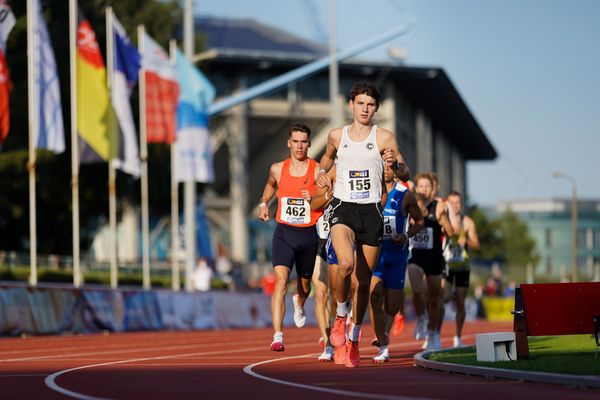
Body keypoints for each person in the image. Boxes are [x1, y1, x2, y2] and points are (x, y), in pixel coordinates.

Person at [316, 81, 405, 368]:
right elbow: (325, 161)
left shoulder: (384, 138)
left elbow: (405, 170)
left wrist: (395, 163)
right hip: (343, 207)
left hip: (371, 212)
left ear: (376, 108)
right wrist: (321, 174)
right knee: (344, 265)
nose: (365, 109)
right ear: (351, 104)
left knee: (363, 282)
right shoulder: (336, 135)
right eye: (361, 103)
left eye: (371, 105)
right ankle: (341, 315)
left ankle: (354, 339)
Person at [257, 123, 323, 352]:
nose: (299, 146)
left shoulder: (316, 170)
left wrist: (314, 195)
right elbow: (270, 185)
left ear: (309, 143)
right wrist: (264, 203)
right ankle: (277, 336)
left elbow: (329, 194)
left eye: (303, 141)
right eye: (295, 141)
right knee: (281, 282)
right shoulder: (277, 168)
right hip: (284, 233)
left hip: (307, 234)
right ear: (289, 143)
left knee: (304, 286)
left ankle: (300, 301)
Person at [370, 162, 423, 363]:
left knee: (392, 307)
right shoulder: (370, 191)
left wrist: (406, 235)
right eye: (381, 166)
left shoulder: (405, 194)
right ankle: (382, 343)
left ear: (395, 171)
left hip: (397, 256)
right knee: (374, 295)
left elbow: (419, 221)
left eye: (389, 167)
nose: (385, 170)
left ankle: (383, 332)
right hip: (375, 255)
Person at [407, 172, 454, 351]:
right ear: (417, 188)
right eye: (421, 186)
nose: (424, 189)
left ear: (432, 188)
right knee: (418, 291)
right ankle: (421, 318)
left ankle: (433, 334)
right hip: (416, 255)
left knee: (434, 299)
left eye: (428, 186)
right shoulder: (410, 205)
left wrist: (443, 218)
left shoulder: (439, 207)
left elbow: (450, 233)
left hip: (435, 257)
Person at [443, 190, 480, 348]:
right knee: (443, 298)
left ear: (461, 204)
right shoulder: (443, 220)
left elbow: (477, 245)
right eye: (452, 203)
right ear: (447, 204)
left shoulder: (468, 222)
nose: (455, 206)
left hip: (462, 266)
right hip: (446, 265)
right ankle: (433, 332)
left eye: (458, 202)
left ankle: (457, 336)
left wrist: (467, 241)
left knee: (460, 302)